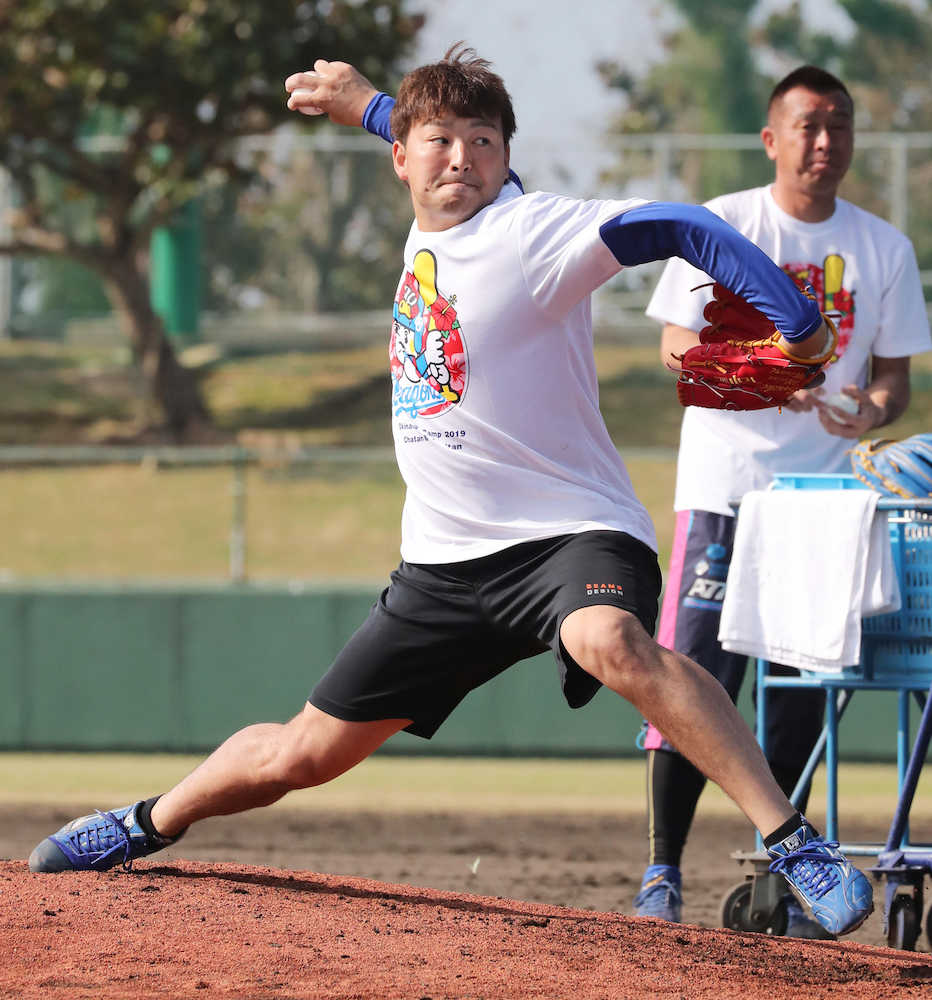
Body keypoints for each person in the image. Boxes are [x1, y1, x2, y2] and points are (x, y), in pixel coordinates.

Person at [30, 48, 873, 939]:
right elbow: (424, 133)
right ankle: (143, 823)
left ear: (508, 158)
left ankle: (791, 840)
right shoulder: (437, 204)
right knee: (300, 755)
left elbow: (676, 222)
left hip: (568, 533)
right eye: (440, 141)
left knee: (610, 639)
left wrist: (801, 320)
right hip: (441, 564)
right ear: (401, 154)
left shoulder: (532, 232)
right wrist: (365, 103)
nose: (462, 157)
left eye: (484, 141)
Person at [635, 65, 931, 936]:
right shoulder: (728, 224)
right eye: (807, 125)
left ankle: (787, 869)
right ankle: (662, 868)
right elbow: (675, 344)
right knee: (689, 675)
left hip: (826, 506)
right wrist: (765, 379)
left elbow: (893, 383)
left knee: (803, 682)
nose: (824, 141)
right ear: (772, 138)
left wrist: (869, 409)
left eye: (839, 125)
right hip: (725, 490)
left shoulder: (883, 247)